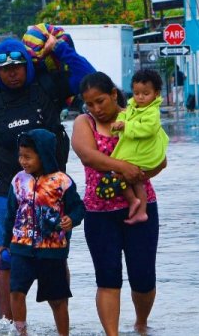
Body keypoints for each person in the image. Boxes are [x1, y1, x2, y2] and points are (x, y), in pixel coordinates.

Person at [0, 32, 95, 322]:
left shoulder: (47, 84)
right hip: (8, 191)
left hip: (53, 193)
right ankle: (10, 326)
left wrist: (60, 49)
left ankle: (62, 327)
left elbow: (90, 79)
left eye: (18, 67)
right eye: (5, 70)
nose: (12, 74)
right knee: (7, 259)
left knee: (56, 259)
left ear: (28, 64)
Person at [74, 72, 166, 336]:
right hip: (99, 213)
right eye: (90, 104)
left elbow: (161, 157)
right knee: (107, 278)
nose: (96, 109)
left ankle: (140, 324)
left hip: (142, 206)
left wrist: (140, 174)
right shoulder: (84, 123)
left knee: (143, 276)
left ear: (114, 94)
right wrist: (124, 167)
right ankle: (112, 334)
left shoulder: (138, 116)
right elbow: (87, 155)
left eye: (100, 101)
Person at [2, 129, 85, 336]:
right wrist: (5, 244)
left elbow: (78, 208)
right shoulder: (18, 181)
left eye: (28, 157)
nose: (23, 161)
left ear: (44, 154)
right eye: (20, 156)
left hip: (52, 251)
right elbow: (10, 215)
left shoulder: (61, 181)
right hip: (20, 249)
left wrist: (71, 220)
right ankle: (22, 333)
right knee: (16, 292)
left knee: (57, 299)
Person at [111, 69, 169, 225]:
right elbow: (123, 116)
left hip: (143, 153)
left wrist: (126, 126)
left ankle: (140, 208)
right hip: (134, 150)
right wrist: (118, 123)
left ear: (156, 93)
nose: (140, 97)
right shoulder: (132, 106)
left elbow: (148, 128)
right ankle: (136, 204)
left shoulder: (152, 112)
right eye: (136, 93)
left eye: (145, 93)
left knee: (131, 177)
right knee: (127, 177)